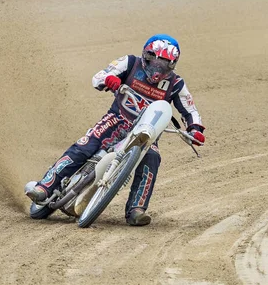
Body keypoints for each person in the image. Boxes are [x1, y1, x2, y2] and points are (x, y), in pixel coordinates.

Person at [25, 34, 205, 226]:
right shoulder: (130, 63)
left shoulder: (176, 84)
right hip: (116, 120)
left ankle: (137, 209)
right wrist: (109, 79)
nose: (157, 70)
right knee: (86, 145)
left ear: (172, 65)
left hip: (148, 134)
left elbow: (190, 109)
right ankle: (45, 186)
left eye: (164, 66)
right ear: (146, 56)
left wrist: (194, 129)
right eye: (154, 63)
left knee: (152, 158)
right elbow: (99, 76)